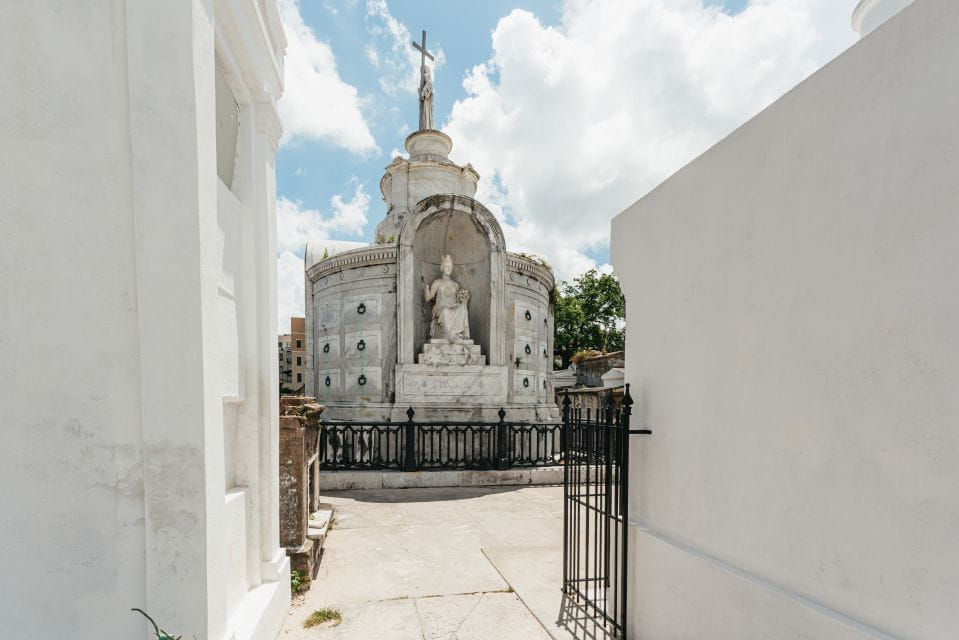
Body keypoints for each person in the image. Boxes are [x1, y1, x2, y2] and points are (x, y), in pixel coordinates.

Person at [424, 254, 470, 340]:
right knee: (445, 312)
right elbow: (428, 298)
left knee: (463, 308)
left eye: (450, 266)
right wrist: (426, 289)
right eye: (447, 266)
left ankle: (459, 334)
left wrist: (464, 298)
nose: (449, 268)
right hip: (441, 308)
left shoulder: (455, 285)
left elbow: (458, 301)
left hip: (452, 307)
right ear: (442, 267)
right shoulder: (437, 282)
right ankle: (451, 334)